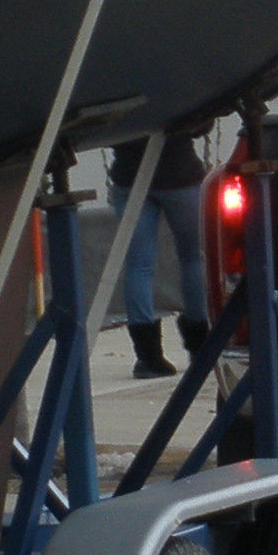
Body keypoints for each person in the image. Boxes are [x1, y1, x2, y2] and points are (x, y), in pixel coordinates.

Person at [110, 125, 211, 379]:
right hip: (180, 173)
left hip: (130, 176)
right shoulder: (175, 85)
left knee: (138, 265)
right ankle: (199, 343)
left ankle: (148, 356)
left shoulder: (113, 83)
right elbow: (201, 124)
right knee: (192, 257)